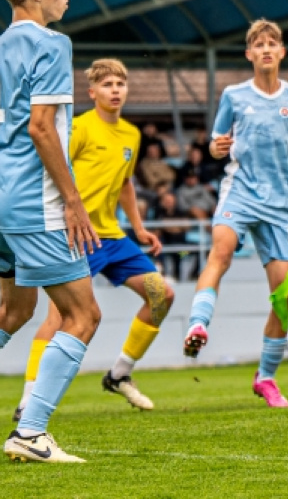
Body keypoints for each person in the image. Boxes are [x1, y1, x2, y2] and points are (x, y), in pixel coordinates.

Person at [13, 59, 173, 420]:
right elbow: (50, 170)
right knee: (59, 319)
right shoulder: (78, 128)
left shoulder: (132, 134)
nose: (115, 90)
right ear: (92, 92)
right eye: (107, 84)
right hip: (76, 237)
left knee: (161, 295)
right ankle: (27, 401)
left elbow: (126, 183)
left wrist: (139, 227)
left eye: (120, 83)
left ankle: (119, 374)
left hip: (113, 238)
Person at [183, 19, 288, 408]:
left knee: (285, 296)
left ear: (281, 53)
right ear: (248, 54)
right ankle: (197, 324)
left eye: (271, 43)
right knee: (220, 254)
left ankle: (266, 377)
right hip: (239, 194)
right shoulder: (233, 95)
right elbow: (215, 144)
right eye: (258, 44)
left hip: (279, 206)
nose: (265, 49)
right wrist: (215, 148)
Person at [0, 0, 101, 463]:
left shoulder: (1, 46)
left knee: (11, 312)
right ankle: (30, 431)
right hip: (34, 203)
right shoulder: (50, 43)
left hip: (2, 198)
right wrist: (73, 201)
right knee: (83, 315)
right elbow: (42, 128)